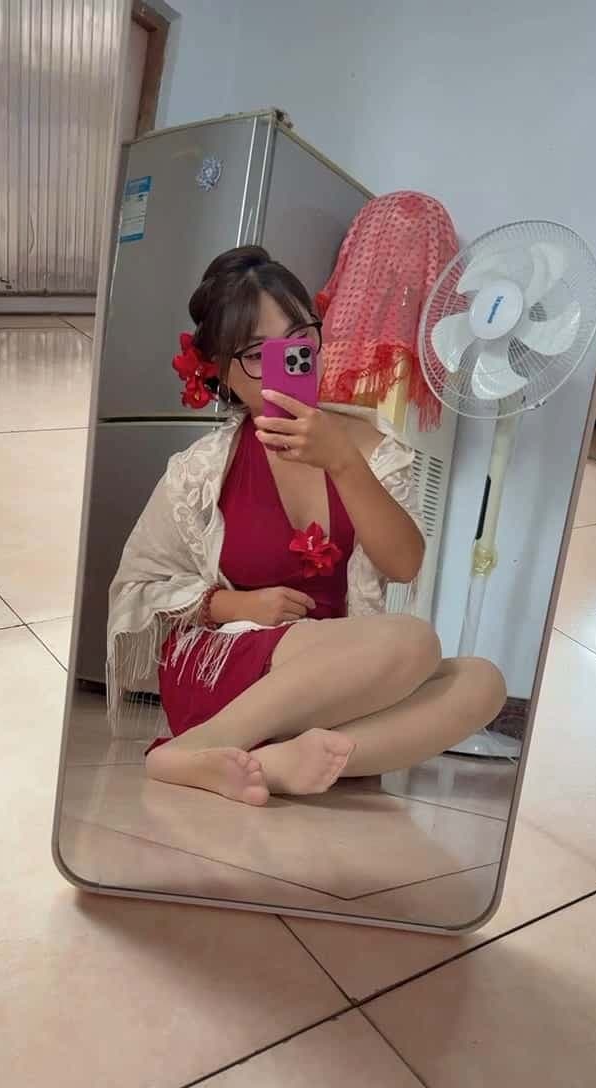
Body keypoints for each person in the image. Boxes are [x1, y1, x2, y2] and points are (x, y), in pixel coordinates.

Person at [107, 246, 506, 807]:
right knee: (412, 640)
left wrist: (343, 461)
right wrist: (234, 605)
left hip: (337, 678)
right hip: (227, 663)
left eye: (299, 339)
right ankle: (201, 744)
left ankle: (271, 763)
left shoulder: (373, 448)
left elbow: (404, 564)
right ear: (221, 370)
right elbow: (136, 590)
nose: (288, 361)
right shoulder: (200, 472)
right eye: (257, 353)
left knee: (483, 683)